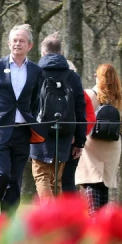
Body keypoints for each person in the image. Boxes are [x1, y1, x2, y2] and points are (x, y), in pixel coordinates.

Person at [0, 24, 44, 217]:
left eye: (22, 41)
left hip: (23, 131)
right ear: (9, 43)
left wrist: (28, 118)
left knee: (15, 179)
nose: (17, 44)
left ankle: (7, 220)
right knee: (1, 173)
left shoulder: (36, 71)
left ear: (29, 46)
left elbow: (35, 101)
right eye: (14, 40)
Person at [31, 33, 86, 199]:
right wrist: (80, 139)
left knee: (42, 176)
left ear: (43, 52)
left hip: (39, 131)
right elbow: (79, 108)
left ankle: (49, 218)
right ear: (61, 53)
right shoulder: (72, 76)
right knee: (57, 179)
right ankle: (57, 220)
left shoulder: (35, 72)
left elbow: (29, 104)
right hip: (65, 133)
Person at [75, 64, 122, 215]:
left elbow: (81, 119)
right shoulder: (121, 99)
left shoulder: (89, 94)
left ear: (97, 77)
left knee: (90, 181)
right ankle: (102, 220)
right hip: (112, 146)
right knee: (103, 184)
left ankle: (94, 217)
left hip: (91, 145)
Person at [62, 60, 96, 193]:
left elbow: (90, 119)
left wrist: (77, 137)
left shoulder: (82, 94)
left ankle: (70, 212)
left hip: (70, 143)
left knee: (66, 179)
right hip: (66, 141)